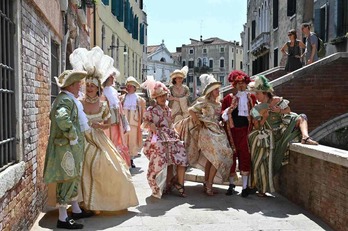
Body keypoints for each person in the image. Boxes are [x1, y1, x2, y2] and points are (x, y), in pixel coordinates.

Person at [70, 47, 139, 212]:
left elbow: (109, 122)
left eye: (92, 87)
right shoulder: (79, 102)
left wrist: (99, 125)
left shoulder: (103, 104)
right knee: (83, 167)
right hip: (82, 138)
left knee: (106, 165)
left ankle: (98, 202)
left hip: (98, 137)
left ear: (98, 88)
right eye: (88, 86)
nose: (90, 89)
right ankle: (82, 202)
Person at [248, 75, 318, 197]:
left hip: (282, 131)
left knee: (301, 116)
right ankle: (261, 188)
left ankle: (305, 137)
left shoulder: (277, 100)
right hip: (269, 136)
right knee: (262, 162)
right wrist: (263, 119)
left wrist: (279, 111)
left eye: (258, 93)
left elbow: (288, 111)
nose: (256, 96)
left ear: (265, 93)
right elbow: (257, 126)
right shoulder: (256, 108)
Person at [43, 70, 93, 229]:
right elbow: (61, 117)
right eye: (78, 83)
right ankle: (62, 219)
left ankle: (76, 210)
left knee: (72, 178)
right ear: (71, 85)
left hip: (69, 148)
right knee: (66, 179)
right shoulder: (65, 100)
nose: (80, 86)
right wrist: (72, 135)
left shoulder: (67, 98)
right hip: (65, 148)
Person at [175, 74, 233, 196]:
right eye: (216, 89)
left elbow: (218, 117)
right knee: (216, 157)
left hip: (217, 130)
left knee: (213, 158)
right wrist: (197, 120)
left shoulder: (218, 104)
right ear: (211, 92)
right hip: (207, 131)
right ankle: (209, 185)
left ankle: (207, 182)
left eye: (218, 89)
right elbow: (191, 110)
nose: (218, 91)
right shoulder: (205, 102)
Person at [141, 80, 188, 198]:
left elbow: (171, 124)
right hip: (156, 136)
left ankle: (179, 184)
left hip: (169, 135)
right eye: (160, 96)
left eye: (164, 95)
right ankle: (160, 185)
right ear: (155, 97)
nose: (162, 98)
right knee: (160, 156)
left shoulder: (168, 109)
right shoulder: (151, 109)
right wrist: (151, 125)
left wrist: (175, 133)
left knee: (182, 153)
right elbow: (145, 123)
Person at [221, 70, 256, 197]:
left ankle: (245, 187)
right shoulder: (228, 99)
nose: (241, 85)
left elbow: (255, 113)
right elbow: (222, 116)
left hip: (245, 131)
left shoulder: (251, 97)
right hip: (231, 131)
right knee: (231, 157)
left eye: (243, 83)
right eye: (238, 83)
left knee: (245, 156)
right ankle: (231, 185)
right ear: (234, 85)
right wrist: (229, 110)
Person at [101, 67, 131, 167]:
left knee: (117, 142)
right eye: (111, 78)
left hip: (117, 123)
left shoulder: (113, 91)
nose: (113, 79)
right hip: (106, 124)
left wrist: (125, 123)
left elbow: (120, 109)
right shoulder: (100, 92)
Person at [120, 76, 146, 168]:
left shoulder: (140, 100)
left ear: (135, 87)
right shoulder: (122, 98)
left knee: (132, 142)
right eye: (128, 86)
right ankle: (123, 159)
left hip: (134, 124)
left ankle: (131, 160)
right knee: (124, 141)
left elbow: (143, 113)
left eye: (131, 86)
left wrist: (143, 124)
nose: (129, 87)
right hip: (123, 123)